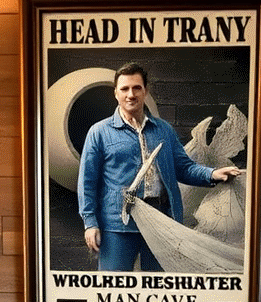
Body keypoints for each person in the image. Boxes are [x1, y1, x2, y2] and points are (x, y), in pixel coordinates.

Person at [77, 62, 240, 272]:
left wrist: (212, 173)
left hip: (162, 222)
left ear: (145, 91)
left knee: (158, 289)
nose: (130, 94)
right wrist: (90, 223)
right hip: (118, 226)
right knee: (113, 288)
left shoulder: (163, 130)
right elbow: (87, 182)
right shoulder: (99, 132)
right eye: (124, 89)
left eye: (137, 88)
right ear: (115, 93)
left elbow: (184, 167)